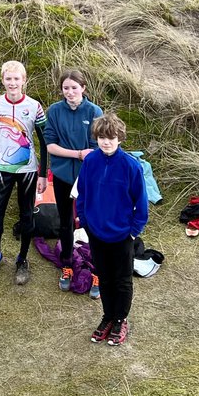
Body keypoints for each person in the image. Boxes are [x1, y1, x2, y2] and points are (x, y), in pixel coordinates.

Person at [76, 113, 147, 346]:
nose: (106, 142)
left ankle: (120, 319)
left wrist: (133, 230)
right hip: (96, 233)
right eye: (102, 137)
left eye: (111, 137)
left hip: (122, 235)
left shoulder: (131, 166)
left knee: (122, 280)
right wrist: (85, 221)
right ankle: (107, 317)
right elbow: (82, 194)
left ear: (120, 138)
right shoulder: (90, 162)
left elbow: (142, 203)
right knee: (104, 277)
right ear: (96, 138)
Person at [0, 60, 47, 286]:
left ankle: (22, 260)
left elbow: (45, 142)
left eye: (17, 79)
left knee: (27, 217)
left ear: (24, 81)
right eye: (8, 79)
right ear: (3, 81)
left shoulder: (35, 106)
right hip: (1, 169)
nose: (13, 83)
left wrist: (43, 174)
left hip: (27, 171)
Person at [44, 68, 104, 293]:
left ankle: (98, 272)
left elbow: (99, 146)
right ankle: (67, 264)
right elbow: (50, 145)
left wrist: (88, 157)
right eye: (65, 88)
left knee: (91, 221)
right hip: (61, 174)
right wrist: (78, 153)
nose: (70, 92)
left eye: (74, 88)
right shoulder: (55, 111)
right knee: (65, 221)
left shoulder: (94, 111)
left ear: (83, 88)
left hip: (88, 177)